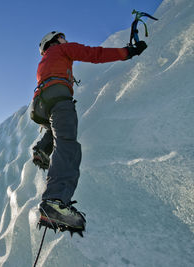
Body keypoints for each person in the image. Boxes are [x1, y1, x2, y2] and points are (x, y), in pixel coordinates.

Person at [30, 31, 147, 234]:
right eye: (61, 37)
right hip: (59, 98)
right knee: (66, 144)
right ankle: (54, 201)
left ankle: (41, 148)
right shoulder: (62, 49)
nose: (65, 39)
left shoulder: (46, 60)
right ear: (54, 41)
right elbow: (93, 54)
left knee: (56, 129)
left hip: (39, 105)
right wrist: (127, 52)